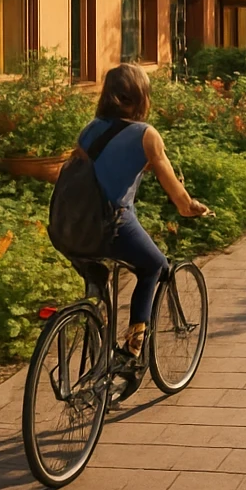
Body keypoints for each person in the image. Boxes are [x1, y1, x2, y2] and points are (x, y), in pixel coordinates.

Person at [71, 64, 211, 365]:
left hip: (70, 228)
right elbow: (180, 200)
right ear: (139, 95)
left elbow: (80, 175)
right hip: (113, 225)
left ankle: (96, 339)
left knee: (97, 278)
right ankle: (132, 351)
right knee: (155, 267)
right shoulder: (146, 135)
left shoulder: (90, 130)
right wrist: (192, 207)